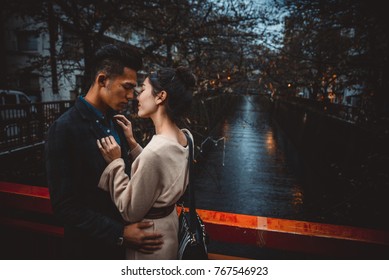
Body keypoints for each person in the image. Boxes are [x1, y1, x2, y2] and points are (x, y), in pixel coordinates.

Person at [45, 44, 163, 259]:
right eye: (126, 87)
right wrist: (119, 233)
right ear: (102, 81)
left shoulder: (118, 123)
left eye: (134, 89)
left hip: (125, 251)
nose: (131, 96)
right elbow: (64, 205)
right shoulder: (65, 128)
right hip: (88, 252)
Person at [96, 66, 196, 259]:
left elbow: (130, 210)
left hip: (150, 240)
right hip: (169, 228)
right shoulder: (185, 137)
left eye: (142, 89)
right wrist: (133, 144)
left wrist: (116, 163)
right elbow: (163, 170)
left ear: (160, 97)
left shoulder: (155, 152)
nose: (137, 96)